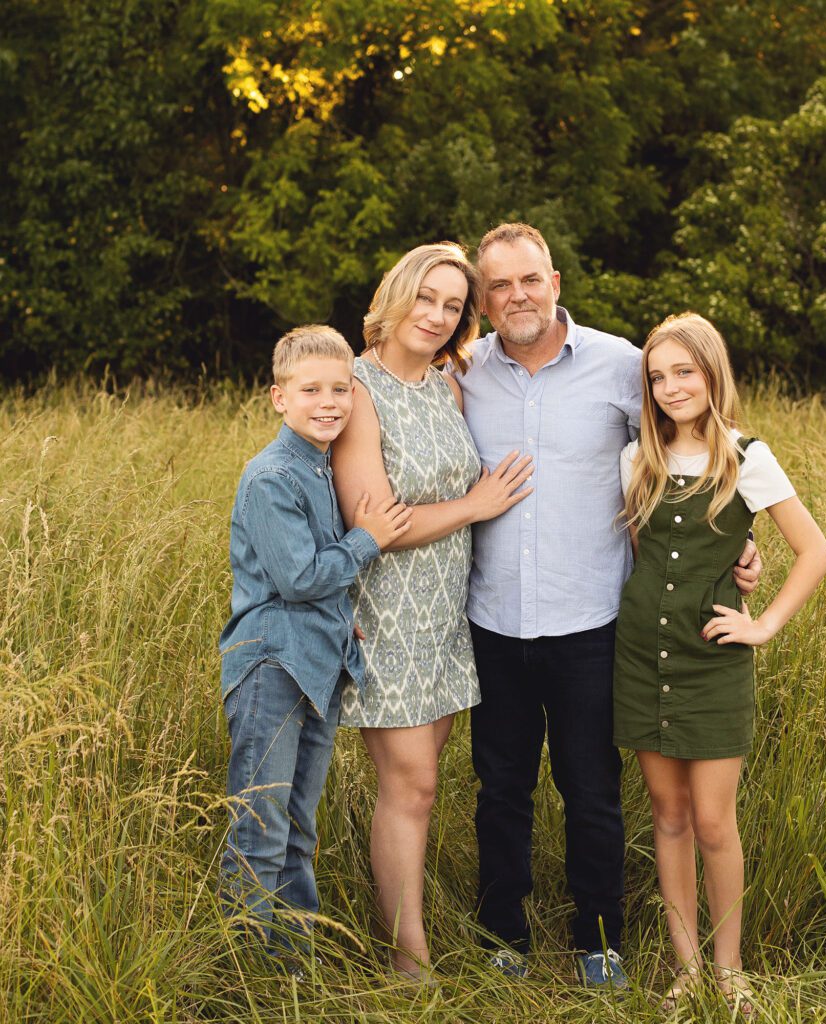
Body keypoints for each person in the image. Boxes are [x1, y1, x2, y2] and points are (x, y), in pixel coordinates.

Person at [455, 224, 763, 988]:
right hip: (492, 618)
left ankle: (600, 941)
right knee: (501, 789)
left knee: (591, 791)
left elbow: (698, 456)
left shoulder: (624, 365)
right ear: (484, 298)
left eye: (530, 279)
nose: (517, 296)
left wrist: (737, 549)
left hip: (594, 621)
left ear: (555, 279)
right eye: (499, 286)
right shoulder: (463, 372)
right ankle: (505, 937)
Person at [614, 313, 826, 1015]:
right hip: (643, 657)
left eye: (684, 372)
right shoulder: (637, 458)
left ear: (712, 374)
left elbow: (816, 551)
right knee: (667, 816)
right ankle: (686, 970)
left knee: (713, 821)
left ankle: (730, 968)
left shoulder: (745, 456)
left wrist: (762, 622)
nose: (671, 387)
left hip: (713, 662)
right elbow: (648, 560)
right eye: (658, 376)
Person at [331, 242, 534, 981]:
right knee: (409, 783)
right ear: (398, 293)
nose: (437, 315)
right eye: (427, 297)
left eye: (452, 305)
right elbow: (372, 524)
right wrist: (476, 504)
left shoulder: (446, 385)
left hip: (449, 610)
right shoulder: (356, 388)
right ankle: (407, 961)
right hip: (386, 612)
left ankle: (410, 933)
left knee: (423, 781)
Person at [219, 325, 412, 964]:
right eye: (310, 390)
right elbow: (298, 577)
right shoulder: (272, 475)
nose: (328, 402)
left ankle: (290, 961)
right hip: (273, 666)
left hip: (319, 664)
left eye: (340, 389)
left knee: (300, 827)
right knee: (262, 826)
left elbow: (312, 582)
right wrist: (369, 539)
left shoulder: (322, 469)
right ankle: (245, 970)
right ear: (279, 398)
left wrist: (340, 615)